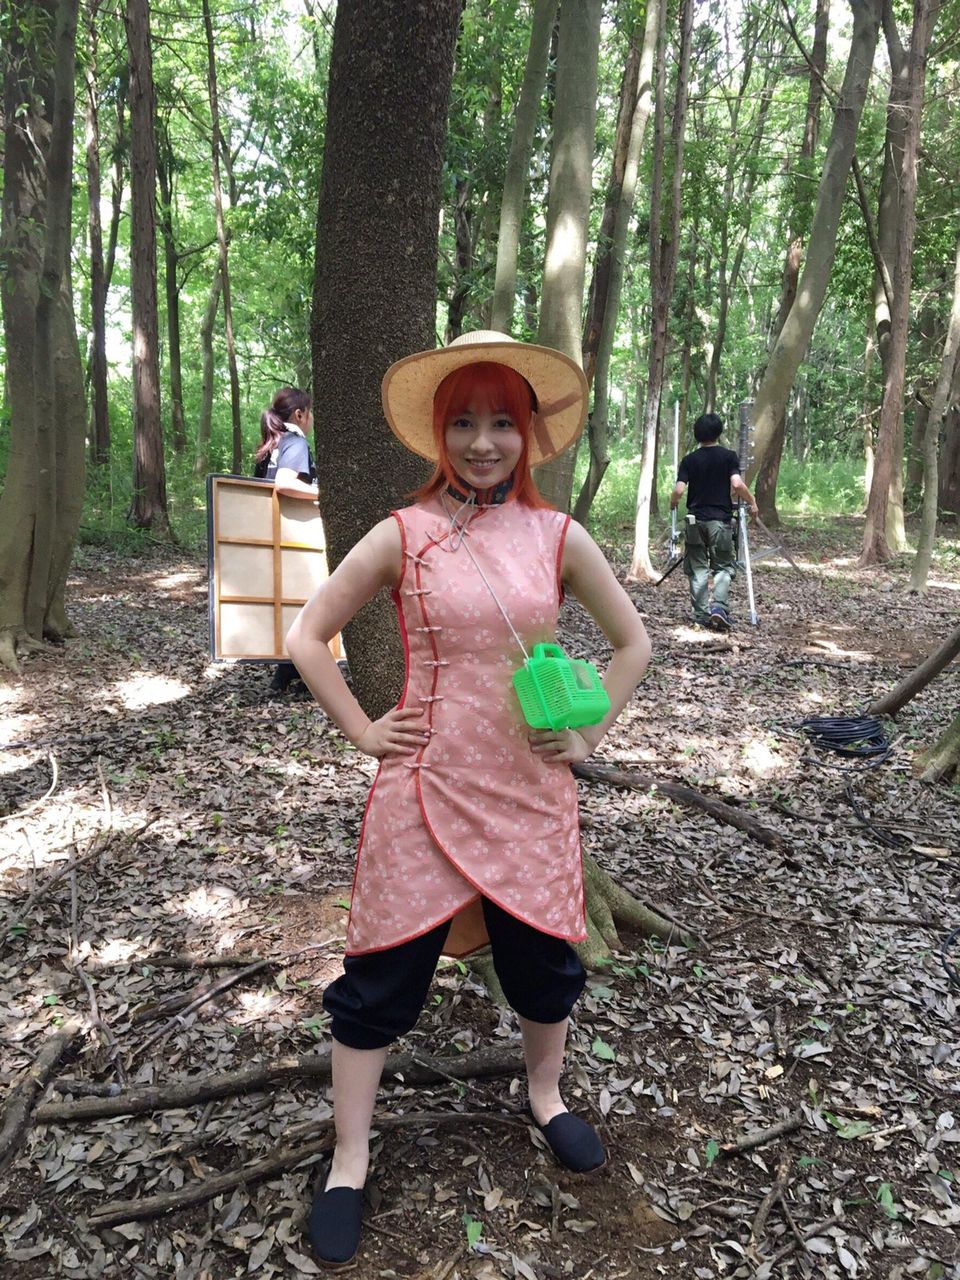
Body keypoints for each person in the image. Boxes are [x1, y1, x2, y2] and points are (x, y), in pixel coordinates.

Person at [285, 331, 652, 1267]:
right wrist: (364, 730)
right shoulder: (402, 533)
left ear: (528, 434)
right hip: (423, 787)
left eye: (502, 422)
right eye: (463, 423)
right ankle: (350, 1158)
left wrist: (589, 737)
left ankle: (546, 1096)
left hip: (530, 792)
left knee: (543, 964)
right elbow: (307, 635)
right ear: (438, 434)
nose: (483, 442)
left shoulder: (558, 535)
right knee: (379, 979)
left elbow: (633, 643)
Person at [254, 387, 318, 692]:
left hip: (273, 534)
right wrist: (324, 494)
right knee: (309, 601)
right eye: (310, 412)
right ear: (299, 415)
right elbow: (284, 483)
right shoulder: (295, 442)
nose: (312, 419)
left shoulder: (270, 446)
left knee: (292, 602)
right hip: (295, 534)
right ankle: (306, 673)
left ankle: (285, 673)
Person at [669, 411, 758, 631]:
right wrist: (752, 500)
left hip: (694, 521)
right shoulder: (729, 457)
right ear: (719, 433)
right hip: (720, 521)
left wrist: (673, 502)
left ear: (697, 434)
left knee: (697, 568)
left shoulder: (689, 460)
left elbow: (679, 490)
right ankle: (719, 607)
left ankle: (701, 615)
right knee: (723, 567)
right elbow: (737, 484)